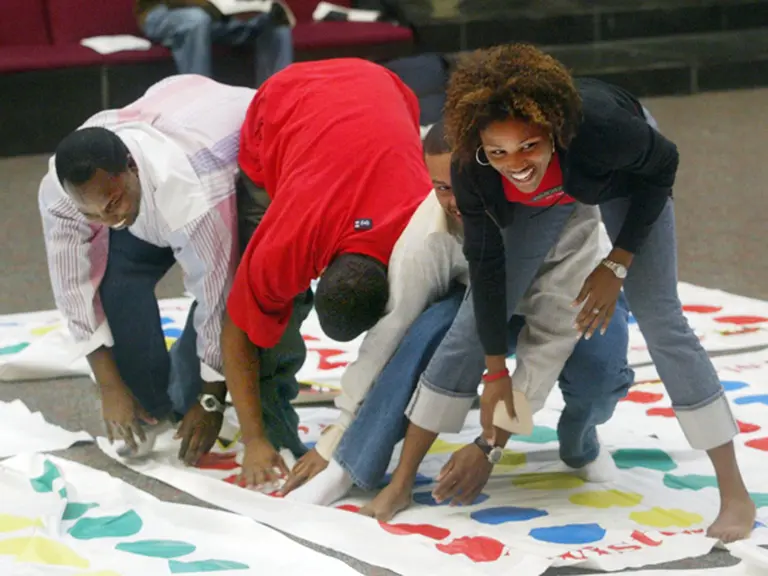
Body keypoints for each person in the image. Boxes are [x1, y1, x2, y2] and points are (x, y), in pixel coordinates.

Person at [441, 43, 755, 542]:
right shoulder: (476, 166)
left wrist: (617, 262)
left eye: (528, 146)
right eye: (497, 151)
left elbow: (663, 166)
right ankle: (513, 439)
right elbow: (486, 267)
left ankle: (733, 490)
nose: (515, 164)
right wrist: (495, 370)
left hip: (628, 176)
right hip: (562, 178)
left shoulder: (602, 132)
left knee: (661, 318)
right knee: (493, 298)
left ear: (552, 134)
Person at [279, 120, 634, 512]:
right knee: (427, 330)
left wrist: (493, 445)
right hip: (482, 301)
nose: (454, 201)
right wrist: (339, 434)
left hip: (574, 302)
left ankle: (580, 438)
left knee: (600, 373)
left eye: (463, 184)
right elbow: (392, 329)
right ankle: (350, 464)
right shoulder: (428, 234)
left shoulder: (569, 217)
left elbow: (550, 338)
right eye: (441, 187)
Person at [221, 59, 432, 488]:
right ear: (315, 274)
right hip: (282, 98)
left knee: (418, 326)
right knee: (264, 306)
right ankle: (274, 424)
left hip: (382, 84)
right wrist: (253, 438)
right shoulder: (289, 240)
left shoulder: (425, 231)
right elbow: (236, 329)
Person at [38, 74, 256, 464]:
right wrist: (109, 385)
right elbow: (71, 284)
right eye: (91, 214)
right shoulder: (63, 188)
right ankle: (151, 406)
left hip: (231, 158)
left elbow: (218, 297)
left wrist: (210, 397)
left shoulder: (193, 195)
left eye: (113, 202)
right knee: (112, 283)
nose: (108, 220)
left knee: (219, 352)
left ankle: (196, 392)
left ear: (131, 167)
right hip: (168, 116)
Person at [136, 0, 295, 86]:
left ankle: (275, 101)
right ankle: (199, 103)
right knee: (195, 19)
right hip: (166, 10)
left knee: (275, 22)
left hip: (220, 15)